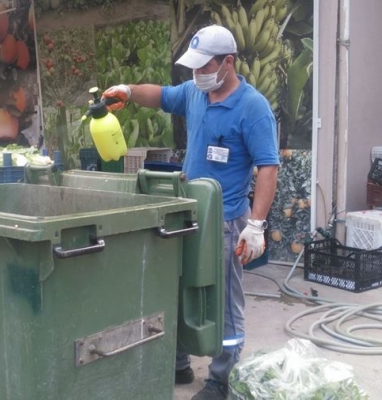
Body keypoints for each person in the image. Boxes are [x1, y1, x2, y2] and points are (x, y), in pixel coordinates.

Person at [102, 25, 279, 400]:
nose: (197, 73)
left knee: (223, 302)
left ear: (228, 62)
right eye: (194, 67)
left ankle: (221, 378)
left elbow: (268, 167)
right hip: (186, 214)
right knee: (179, 288)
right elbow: (161, 96)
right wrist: (128, 91)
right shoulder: (195, 93)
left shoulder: (252, 108)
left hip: (226, 221)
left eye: (205, 66)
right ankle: (179, 362)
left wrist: (256, 226)